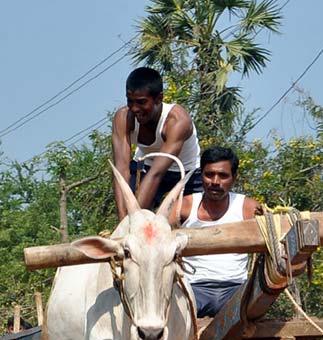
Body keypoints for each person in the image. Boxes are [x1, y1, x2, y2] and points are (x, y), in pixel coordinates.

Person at [171, 146, 262, 318]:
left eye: (223, 176)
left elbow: (275, 236)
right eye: (209, 174)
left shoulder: (248, 208)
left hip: (236, 289)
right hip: (193, 288)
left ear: (234, 178)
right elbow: (157, 234)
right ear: (201, 176)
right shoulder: (184, 206)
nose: (215, 181)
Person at [112, 66, 202, 220]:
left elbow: (157, 173)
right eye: (130, 101)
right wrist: (124, 222)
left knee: (195, 218)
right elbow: (121, 170)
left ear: (159, 98)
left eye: (141, 102)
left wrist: (135, 220)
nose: (134, 108)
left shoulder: (177, 121)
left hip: (186, 171)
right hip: (147, 166)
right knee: (128, 214)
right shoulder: (123, 118)